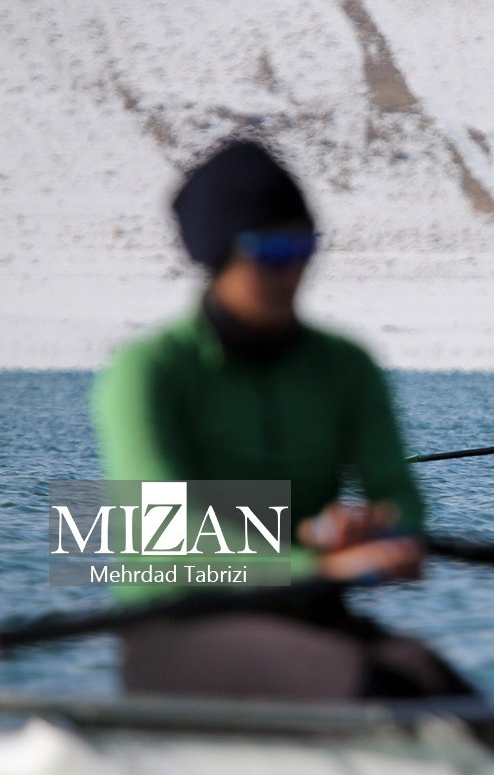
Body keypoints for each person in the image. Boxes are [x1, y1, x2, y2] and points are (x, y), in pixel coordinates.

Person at [92, 139, 474, 700]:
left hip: (313, 616)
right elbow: (163, 537)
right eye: (270, 251)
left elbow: (401, 495)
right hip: (182, 626)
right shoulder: (146, 371)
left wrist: (384, 531)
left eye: (303, 247)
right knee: (381, 687)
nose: (291, 269)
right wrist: (317, 559)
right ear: (218, 256)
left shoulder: (347, 365)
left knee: (442, 684)